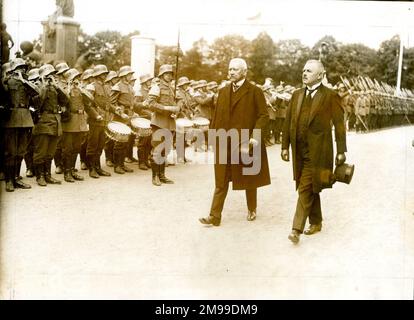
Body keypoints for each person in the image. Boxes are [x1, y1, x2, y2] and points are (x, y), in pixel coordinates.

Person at [281, 59, 347, 244]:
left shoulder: (330, 95)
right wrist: (285, 146)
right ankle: (316, 222)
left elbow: (340, 125)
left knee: (305, 187)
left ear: (320, 75)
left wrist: (341, 150)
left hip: (318, 151)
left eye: (309, 71)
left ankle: (296, 229)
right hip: (299, 151)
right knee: (311, 186)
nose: (304, 73)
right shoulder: (296, 95)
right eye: (303, 70)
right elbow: (288, 122)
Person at [199, 58, 271, 226]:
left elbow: (263, 116)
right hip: (224, 142)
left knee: (249, 178)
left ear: (244, 72)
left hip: (246, 142)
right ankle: (214, 216)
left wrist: (255, 136)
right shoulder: (223, 91)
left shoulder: (255, 91)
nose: (231, 72)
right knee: (221, 180)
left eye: (235, 70)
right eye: (230, 69)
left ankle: (252, 208)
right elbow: (217, 117)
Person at [2, 58, 37, 192]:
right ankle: (9, 180)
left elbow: (36, 92)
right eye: (19, 67)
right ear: (13, 70)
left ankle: (16, 178)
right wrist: (7, 78)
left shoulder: (26, 83)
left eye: (23, 67)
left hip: (26, 119)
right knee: (11, 151)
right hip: (12, 118)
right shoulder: (7, 82)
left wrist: (23, 80)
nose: (22, 69)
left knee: (21, 151)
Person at [146, 64, 179, 186]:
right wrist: (166, 108)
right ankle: (155, 176)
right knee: (157, 150)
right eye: (167, 74)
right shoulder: (156, 87)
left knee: (165, 150)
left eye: (170, 74)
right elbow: (151, 103)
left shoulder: (171, 88)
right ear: (161, 75)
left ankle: (162, 175)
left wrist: (175, 111)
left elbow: (174, 104)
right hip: (159, 122)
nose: (169, 75)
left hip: (169, 123)